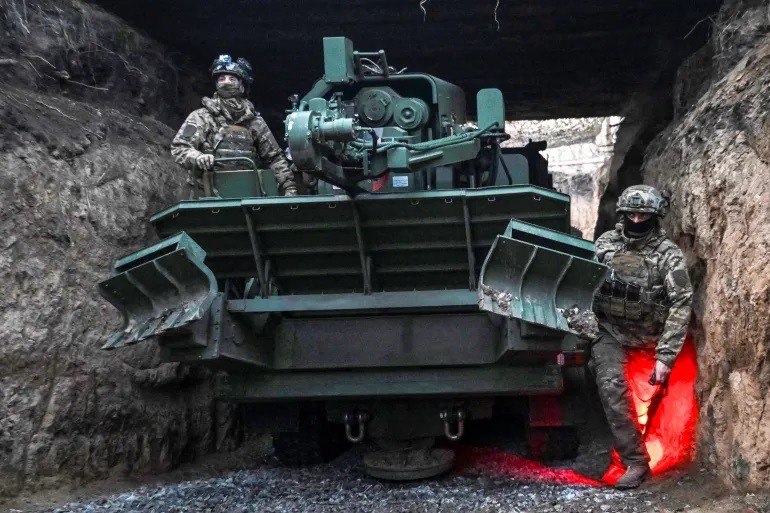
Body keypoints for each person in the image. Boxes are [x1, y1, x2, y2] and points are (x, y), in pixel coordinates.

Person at [590, 185, 693, 489]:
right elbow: (585, 283)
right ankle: (635, 461)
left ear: (654, 217)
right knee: (612, 388)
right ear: (622, 215)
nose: (636, 220)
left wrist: (665, 357)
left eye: (643, 216)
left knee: (649, 398)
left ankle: (650, 439)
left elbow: (681, 303)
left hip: (649, 338)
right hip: (611, 332)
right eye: (631, 214)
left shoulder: (668, 255)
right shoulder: (605, 245)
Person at [171, 54, 298, 196]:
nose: (226, 83)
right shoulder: (201, 117)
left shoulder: (254, 122)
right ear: (216, 84)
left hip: (248, 192)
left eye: (232, 79)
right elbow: (180, 147)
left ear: (242, 85)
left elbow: (274, 157)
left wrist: (289, 187)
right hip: (208, 194)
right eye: (221, 79)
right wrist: (198, 157)